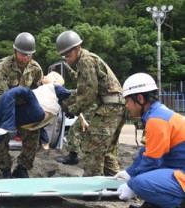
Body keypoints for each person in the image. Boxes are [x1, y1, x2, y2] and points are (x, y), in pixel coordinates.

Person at [55, 30, 125, 176]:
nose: (67, 59)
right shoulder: (87, 59)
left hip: (109, 109)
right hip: (115, 107)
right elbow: (84, 90)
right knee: (107, 152)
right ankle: (117, 185)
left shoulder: (85, 61)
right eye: (64, 56)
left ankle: (94, 186)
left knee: (92, 148)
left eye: (68, 55)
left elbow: (89, 95)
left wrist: (72, 109)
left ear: (78, 48)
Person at [115, 73, 185, 208]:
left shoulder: (156, 121)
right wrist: (129, 172)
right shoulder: (159, 114)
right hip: (179, 168)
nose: (127, 106)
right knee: (142, 180)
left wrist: (131, 185)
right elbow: (147, 151)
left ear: (140, 98)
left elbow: (153, 161)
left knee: (141, 183)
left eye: (128, 101)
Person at [0, 32, 43, 179]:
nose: (26, 57)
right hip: (3, 104)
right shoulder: (3, 67)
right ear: (15, 51)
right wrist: (8, 121)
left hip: (23, 106)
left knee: (34, 133)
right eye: (23, 54)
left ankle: (22, 167)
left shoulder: (36, 68)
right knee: (1, 136)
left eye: (30, 54)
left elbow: (38, 92)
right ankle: (5, 169)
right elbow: (1, 95)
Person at [0, 71, 71, 144]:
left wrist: (76, 93)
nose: (44, 76)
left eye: (48, 75)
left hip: (40, 111)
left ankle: (7, 126)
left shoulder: (53, 87)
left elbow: (68, 94)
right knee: (4, 102)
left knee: (22, 91)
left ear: (54, 81)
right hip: (28, 117)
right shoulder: (42, 88)